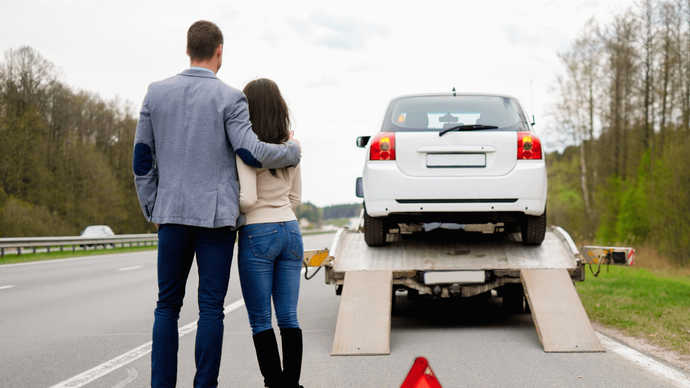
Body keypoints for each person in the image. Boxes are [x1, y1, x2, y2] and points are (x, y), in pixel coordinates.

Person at [132, 21, 301, 388]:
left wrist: (152, 207)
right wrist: (291, 151)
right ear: (219, 50)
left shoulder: (155, 93)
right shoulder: (229, 98)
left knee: (166, 307)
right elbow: (251, 152)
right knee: (211, 309)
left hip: (171, 214)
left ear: (188, 49)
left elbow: (142, 159)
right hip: (217, 220)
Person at [236, 78, 304, 388]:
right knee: (288, 317)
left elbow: (248, 199)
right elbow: (296, 200)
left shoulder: (246, 149)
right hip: (290, 230)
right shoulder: (292, 148)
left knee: (261, 320)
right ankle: (291, 385)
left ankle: (274, 385)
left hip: (257, 233)